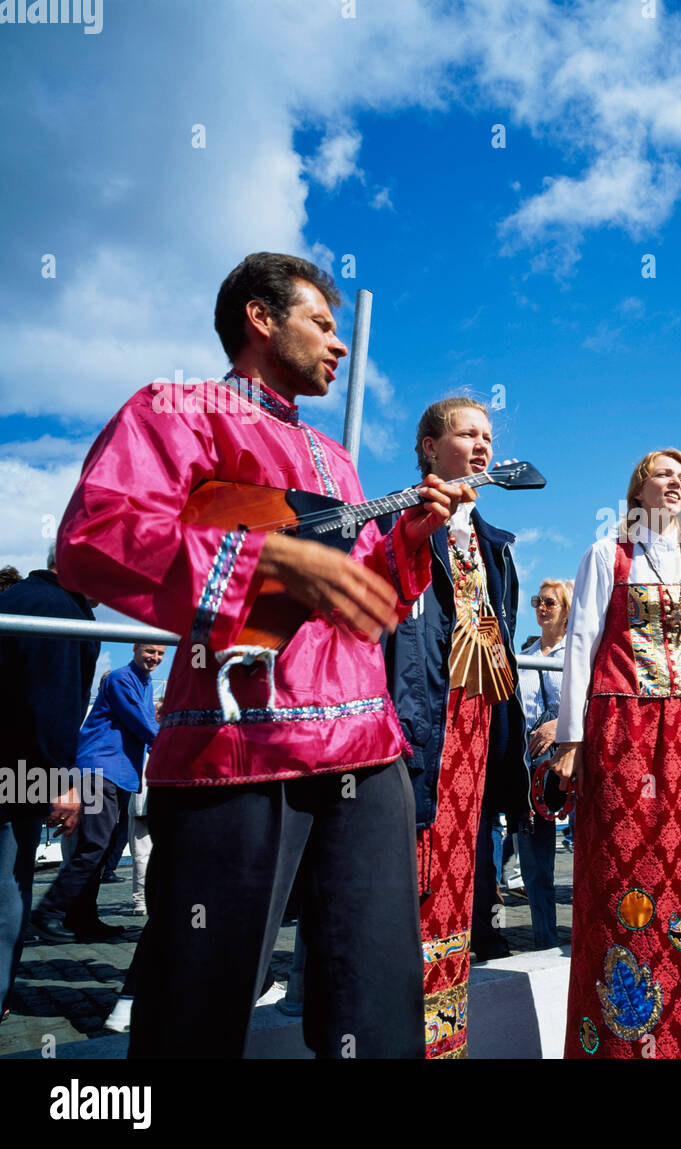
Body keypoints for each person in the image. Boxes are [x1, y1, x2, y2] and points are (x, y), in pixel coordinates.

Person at [56, 252, 469, 1059]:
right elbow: (92, 538)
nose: (339, 345)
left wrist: (412, 539)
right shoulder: (175, 409)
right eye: (321, 321)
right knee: (195, 1012)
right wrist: (265, 562)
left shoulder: (339, 463)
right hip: (238, 745)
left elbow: (363, 595)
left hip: (367, 748)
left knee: (379, 1009)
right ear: (259, 317)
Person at [550, 449, 681, 1059]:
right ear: (637, 488)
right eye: (662, 473)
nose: (675, 482)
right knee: (618, 858)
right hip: (621, 720)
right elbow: (580, 641)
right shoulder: (607, 554)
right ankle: (616, 1040)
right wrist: (571, 738)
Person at [385, 396, 527, 1057]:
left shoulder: (495, 546)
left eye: (488, 435)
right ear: (427, 445)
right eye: (467, 432)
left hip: (475, 731)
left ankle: (445, 1042)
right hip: (418, 728)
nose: (482, 445)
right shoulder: (396, 521)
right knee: (401, 892)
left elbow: (502, 656)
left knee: (458, 893)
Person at [0, 554, 99, 1018]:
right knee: (6, 901)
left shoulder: (17, 598)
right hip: (13, 779)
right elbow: (50, 703)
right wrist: (62, 781)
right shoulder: (59, 608)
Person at [31, 643, 164, 943]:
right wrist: (175, 748)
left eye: (160, 653)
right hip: (98, 769)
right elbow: (142, 724)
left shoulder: (143, 682)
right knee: (94, 846)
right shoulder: (120, 678)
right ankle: (46, 913)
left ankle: (83, 919)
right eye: (150, 651)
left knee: (100, 849)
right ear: (135, 648)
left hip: (120, 775)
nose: (154, 657)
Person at [516, 578, 572, 950]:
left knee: (585, 855)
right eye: (538, 600)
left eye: (550, 602)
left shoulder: (578, 653)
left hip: (572, 761)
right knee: (536, 864)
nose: (541, 607)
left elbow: (590, 699)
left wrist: (560, 723)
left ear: (566, 609)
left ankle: (587, 936)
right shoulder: (524, 650)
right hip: (530, 763)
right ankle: (545, 940)